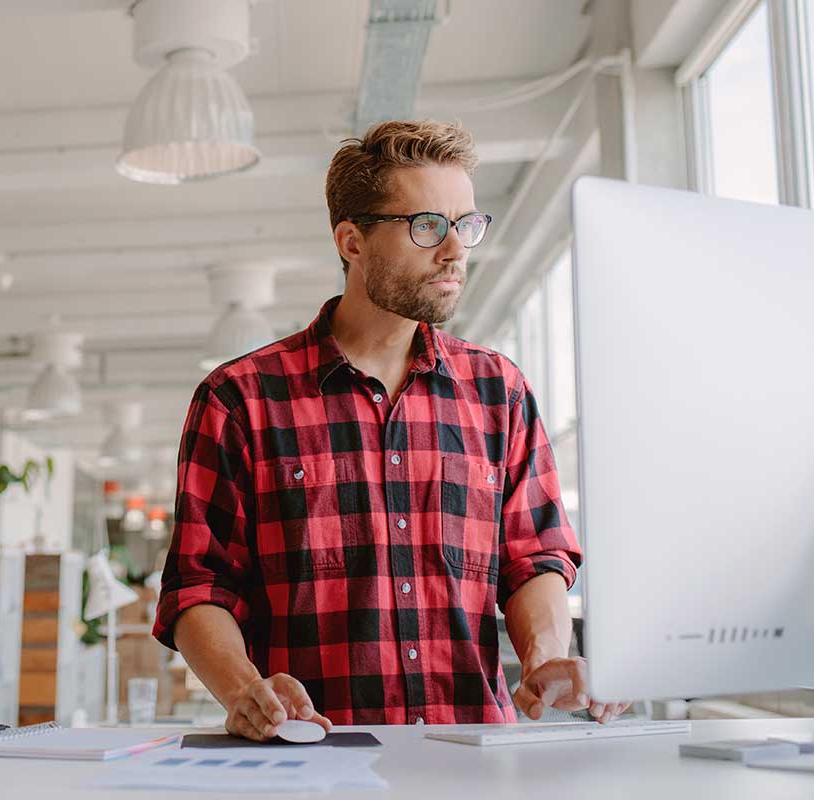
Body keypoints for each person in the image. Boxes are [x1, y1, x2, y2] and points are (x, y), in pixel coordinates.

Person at [153, 120, 628, 741]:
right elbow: (199, 585)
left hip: (473, 760)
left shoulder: (499, 391)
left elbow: (534, 556)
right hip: (314, 759)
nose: (454, 250)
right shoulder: (240, 399)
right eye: (427, 226)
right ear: (352, 241)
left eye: (465, 224)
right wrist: (245, 690)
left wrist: (544, 659)